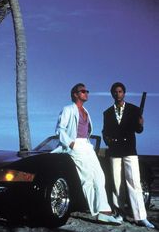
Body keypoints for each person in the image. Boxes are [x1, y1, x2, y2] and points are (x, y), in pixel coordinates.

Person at [54, 83, 121, 225]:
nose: (86, 93)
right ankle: (100, 212)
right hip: (76, 145)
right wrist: (71, 143)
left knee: (100, 176)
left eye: (87, 91)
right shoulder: (68, 109)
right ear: (75, 94)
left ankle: (104, 210)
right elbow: (60, 129)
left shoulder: (85, 111)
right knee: (88, 179)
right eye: (83, 91)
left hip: (87, 145)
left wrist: (85, 144)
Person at [102, 82, 155, 228]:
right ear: (112, 94)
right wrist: (108, 140)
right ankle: (119, 213)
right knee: (117, 183)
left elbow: (138, 130)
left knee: (134, 183)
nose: (117, 94)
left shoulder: (133, 109)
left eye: (120, 91)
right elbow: (105, 131)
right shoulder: (106, 113)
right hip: (114, 151)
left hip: (130, 150)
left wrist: (141, 124)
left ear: (124, 93)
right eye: (115, 92)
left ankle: (141, 217)